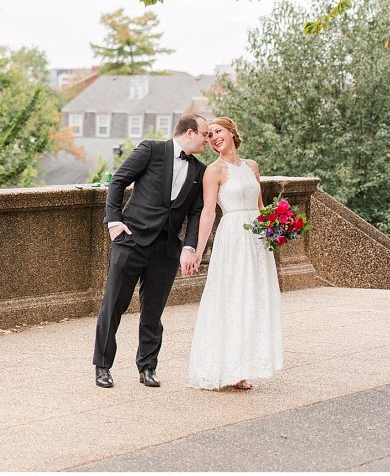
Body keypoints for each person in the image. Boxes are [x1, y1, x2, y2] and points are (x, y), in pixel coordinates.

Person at [93, 113, 210, 389]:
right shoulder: (152, 149)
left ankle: (147, 367)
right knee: (113, 306)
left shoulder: (200, 171)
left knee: (153, 312)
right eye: (205, 134)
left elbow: (195, 213)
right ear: (190, 133)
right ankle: (103, 367)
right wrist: (113, 222)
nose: (207, 140)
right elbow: (118, 181)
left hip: (166, 250)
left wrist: (189, 246)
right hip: (131, 241)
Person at [186, 117, 283, 390]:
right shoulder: (214, 171)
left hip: (256, 240)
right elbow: (207, 212)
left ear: (231, 133)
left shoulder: (251, 166)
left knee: (253, 298)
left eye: (218, 132)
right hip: (232, 237)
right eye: (210, 136)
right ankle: (225, 366)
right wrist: (197, 250)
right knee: (232, 297)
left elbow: (261, 206)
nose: (214, 138)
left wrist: (278, 228)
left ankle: (243, 365)